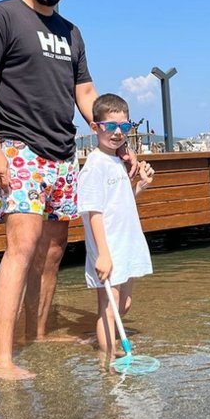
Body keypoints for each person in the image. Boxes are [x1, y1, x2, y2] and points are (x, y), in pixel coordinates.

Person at [0, 0, 136, 380]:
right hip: (18, 147)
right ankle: (2, 359)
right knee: (22, 247)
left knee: (53, 252)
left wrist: (117, 138)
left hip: (63, 153)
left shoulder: (71, 33)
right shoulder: (1, 17)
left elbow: (86, 93)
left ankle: (37, 334)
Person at [77, 93, 154, 365]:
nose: (118, 132)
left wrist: (139, 187)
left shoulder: (117, 162)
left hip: (127, 243)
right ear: (95, 127)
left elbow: (119, 203)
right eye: (110, 126)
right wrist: (103, 254)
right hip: (109, 247)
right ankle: (107, 361)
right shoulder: (95, 166)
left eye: (124, 126)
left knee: (124, 304)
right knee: (109, 309)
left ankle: (103, 342)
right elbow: (94, 212)